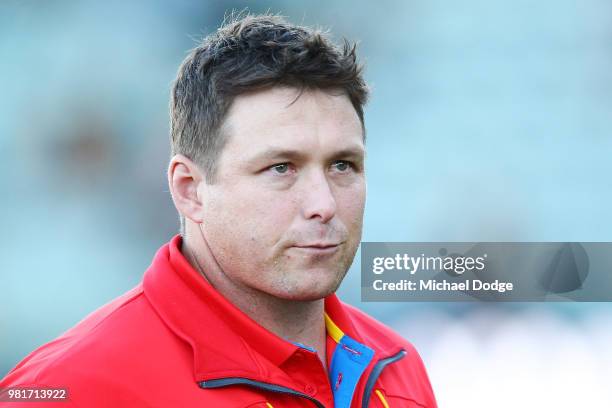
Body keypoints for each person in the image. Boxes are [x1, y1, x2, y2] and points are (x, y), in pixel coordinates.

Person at [0, 13, 437, 408]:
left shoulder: (397, 369)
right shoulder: (71, 389)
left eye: (343, 165)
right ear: (189, 190)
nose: (324, 204)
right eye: (280, 167)